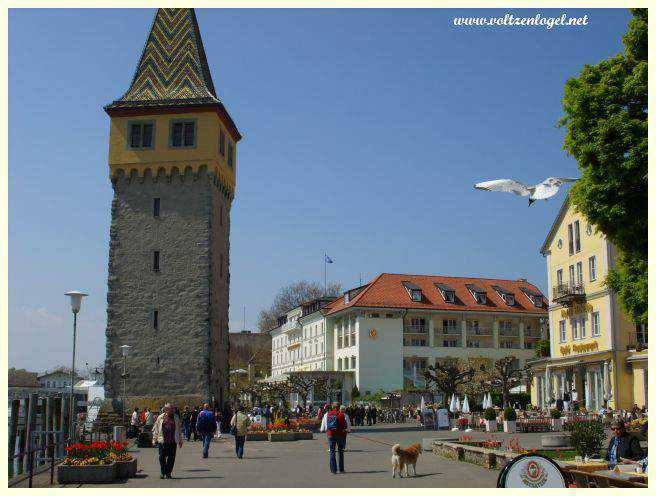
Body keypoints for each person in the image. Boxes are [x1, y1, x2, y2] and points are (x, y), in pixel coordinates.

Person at [152, 403, 183, 479]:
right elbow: (156, 428)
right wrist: (154, 439)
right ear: (166, 410)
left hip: (172, 441)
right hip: (162, 441)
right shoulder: (160, 417)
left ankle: (168, 473)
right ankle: (163, 472)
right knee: (161, 457)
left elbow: (179, 429)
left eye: (173, 409)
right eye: (171, 409)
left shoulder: (176, 417)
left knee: (171, 458)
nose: (173, 410)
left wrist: (180, 440)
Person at [320, 402, 348, 474]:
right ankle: (341, 469)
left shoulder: (328, 414)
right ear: (338, 407)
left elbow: (325, 424)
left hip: (331, 434)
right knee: (340, 451)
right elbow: (344, 426)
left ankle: (333, 470)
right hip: (340, 435)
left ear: (332, 407)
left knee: (332, 451)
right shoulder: (341, 415)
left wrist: (322, 429)